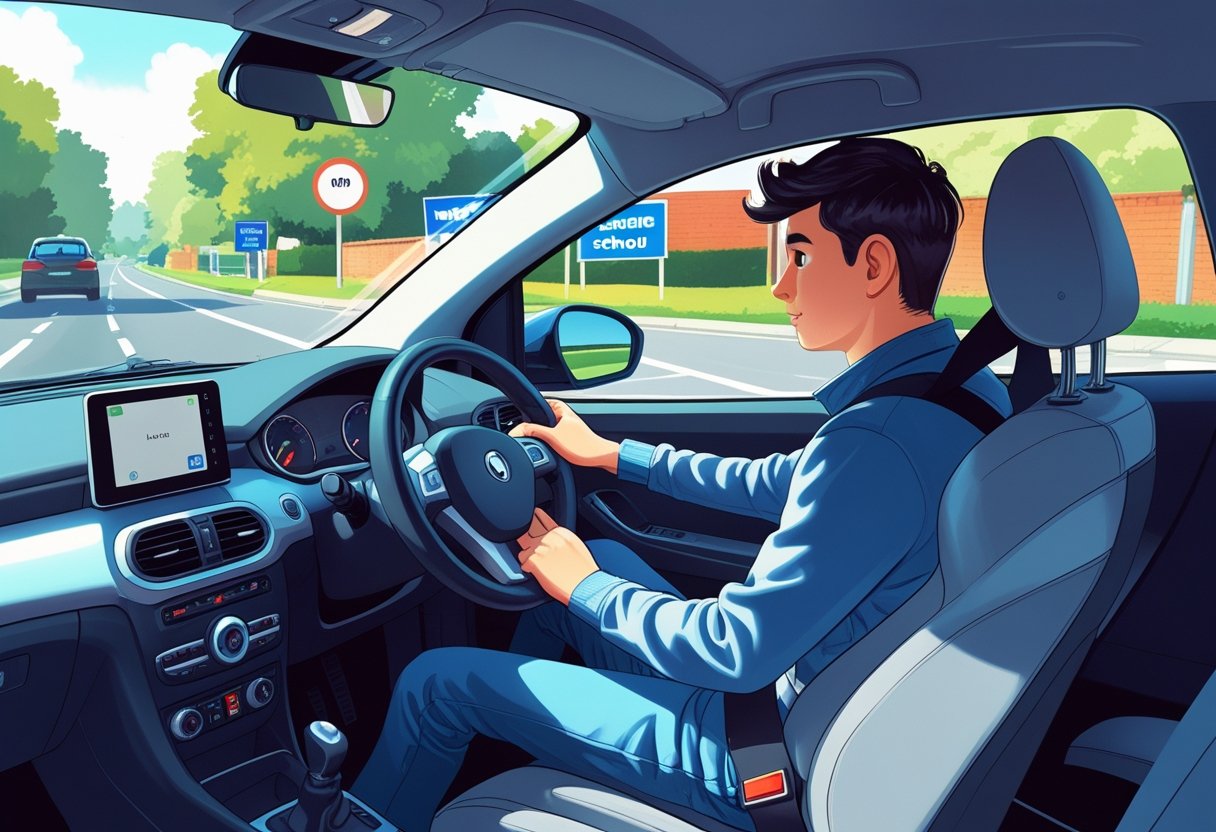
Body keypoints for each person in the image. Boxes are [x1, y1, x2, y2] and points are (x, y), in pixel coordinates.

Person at [352, 137, 1013, 831]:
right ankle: (528, 732)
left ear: (873, 264)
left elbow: (736, 648)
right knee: (594, 562)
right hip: (816, 703)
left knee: (436, 684)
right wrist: (612, 456)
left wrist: (585, 587)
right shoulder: (959, 394)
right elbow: (776, 482)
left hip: (758, 754)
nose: (781, 286)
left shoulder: (878, 441)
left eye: (800, 256)